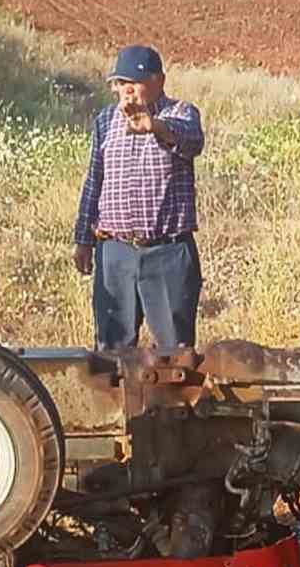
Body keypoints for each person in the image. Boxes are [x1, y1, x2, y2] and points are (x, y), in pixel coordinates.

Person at [72, 45, 206, 350]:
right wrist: (83, 240)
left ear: (159, 80)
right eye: (121, 84)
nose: (127, 91)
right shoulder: (105, 120)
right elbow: (94, 181)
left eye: (135, 83)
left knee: (175, 356)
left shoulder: (181, 113)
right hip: (115, 253)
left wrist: (154, 126)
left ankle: (169, 401)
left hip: (168, 255)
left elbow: (192, 140)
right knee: (112, 353)